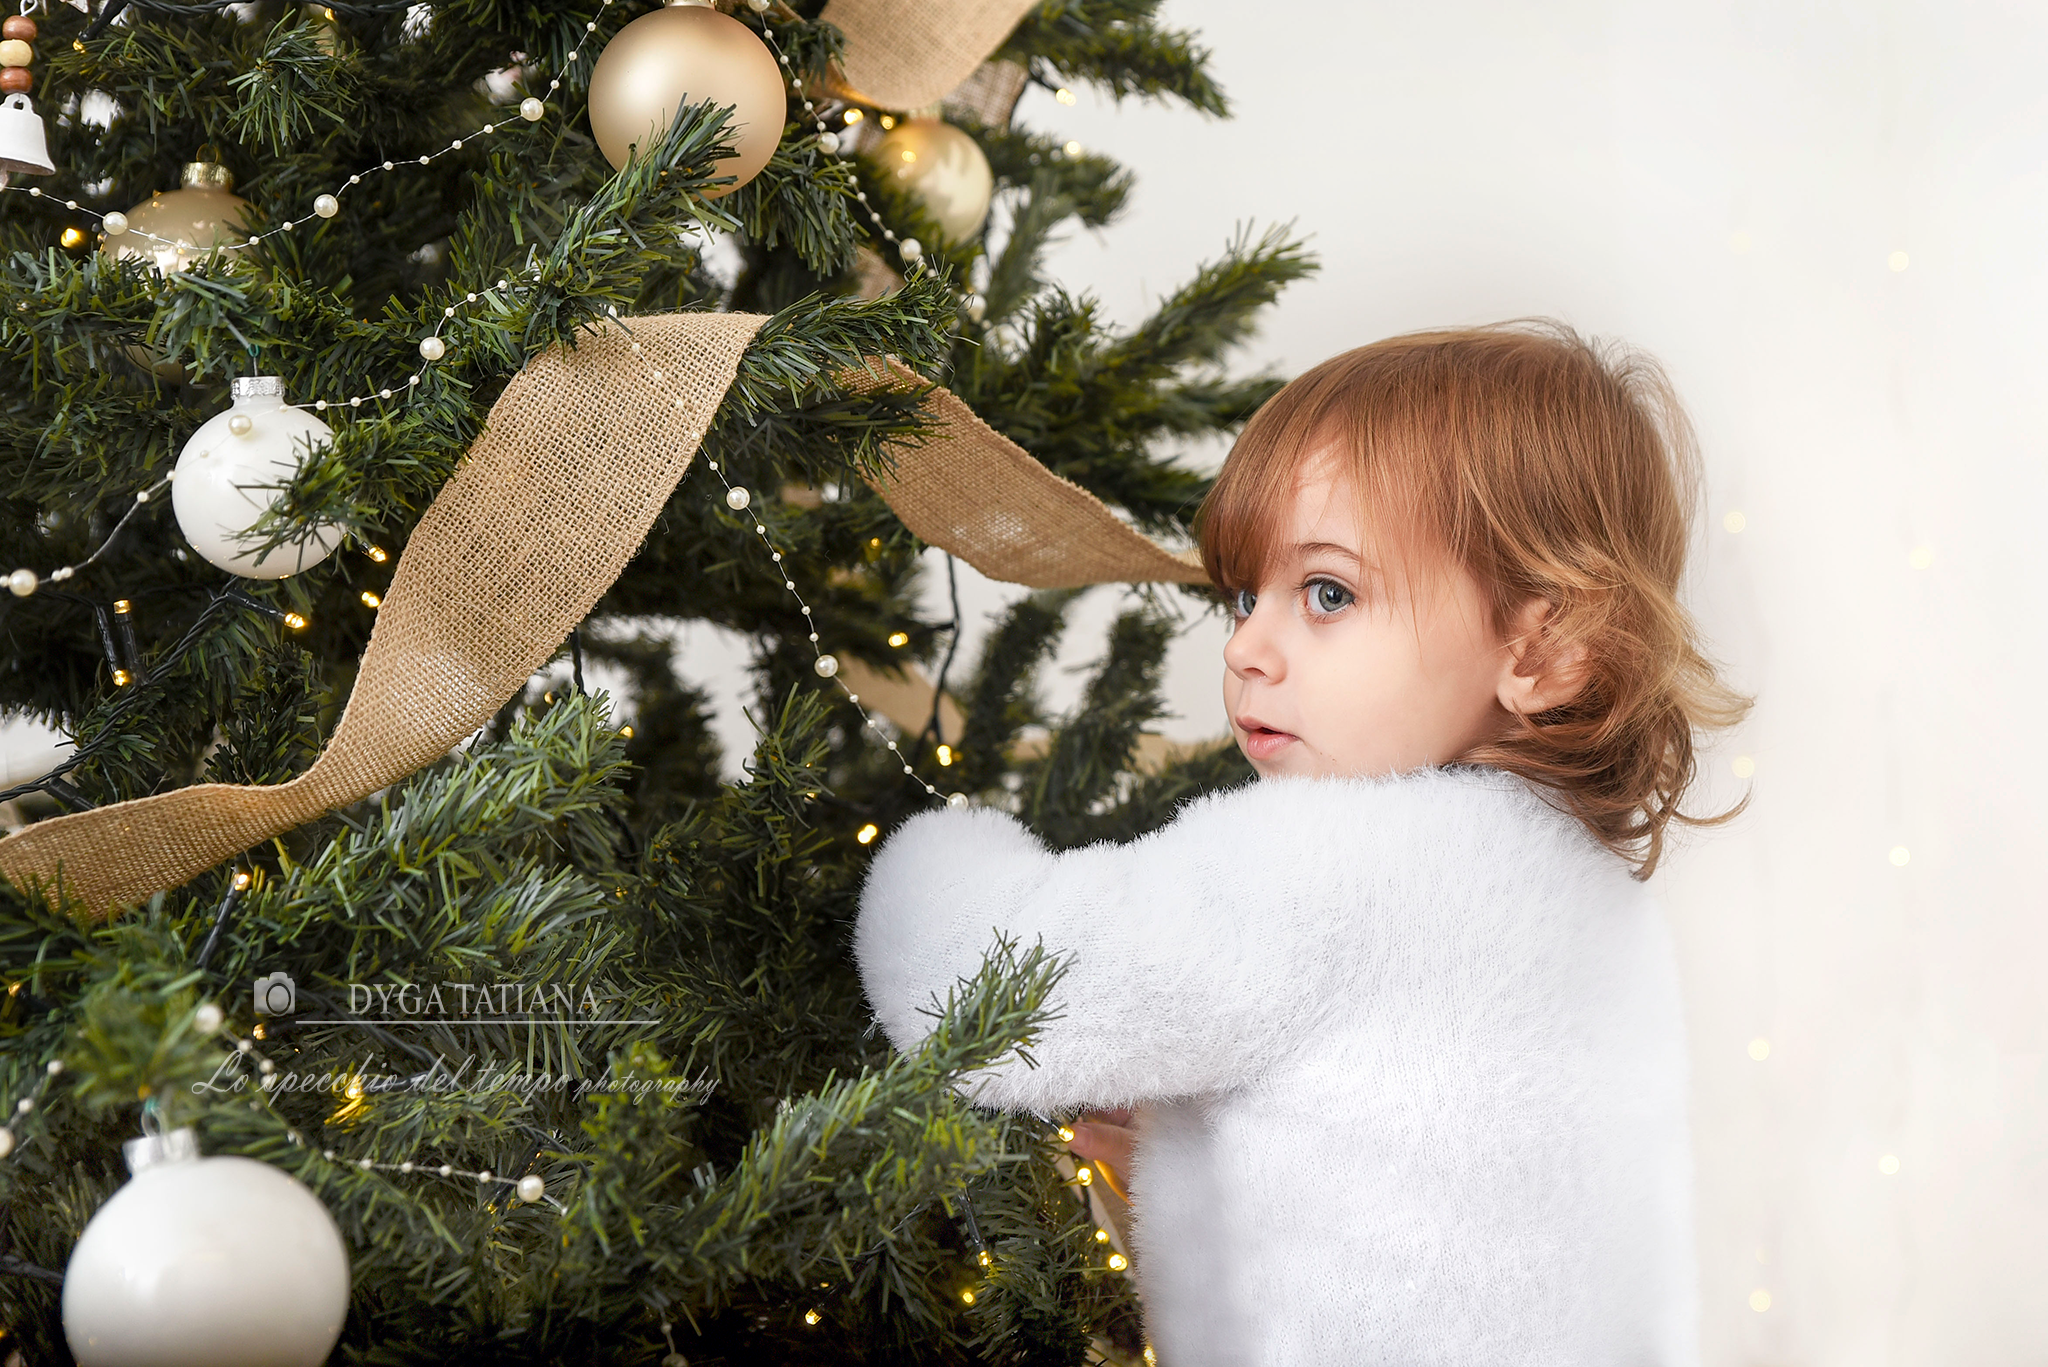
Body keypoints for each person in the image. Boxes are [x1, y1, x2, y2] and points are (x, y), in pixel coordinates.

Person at [853, 321, 1749, 1365]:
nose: (1243, 647)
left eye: (1327, 593)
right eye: (1243, 594)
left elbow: (989, 993)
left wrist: (924, 853)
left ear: (1542, 649)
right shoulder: (1586, 893)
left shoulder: (1337, 861)